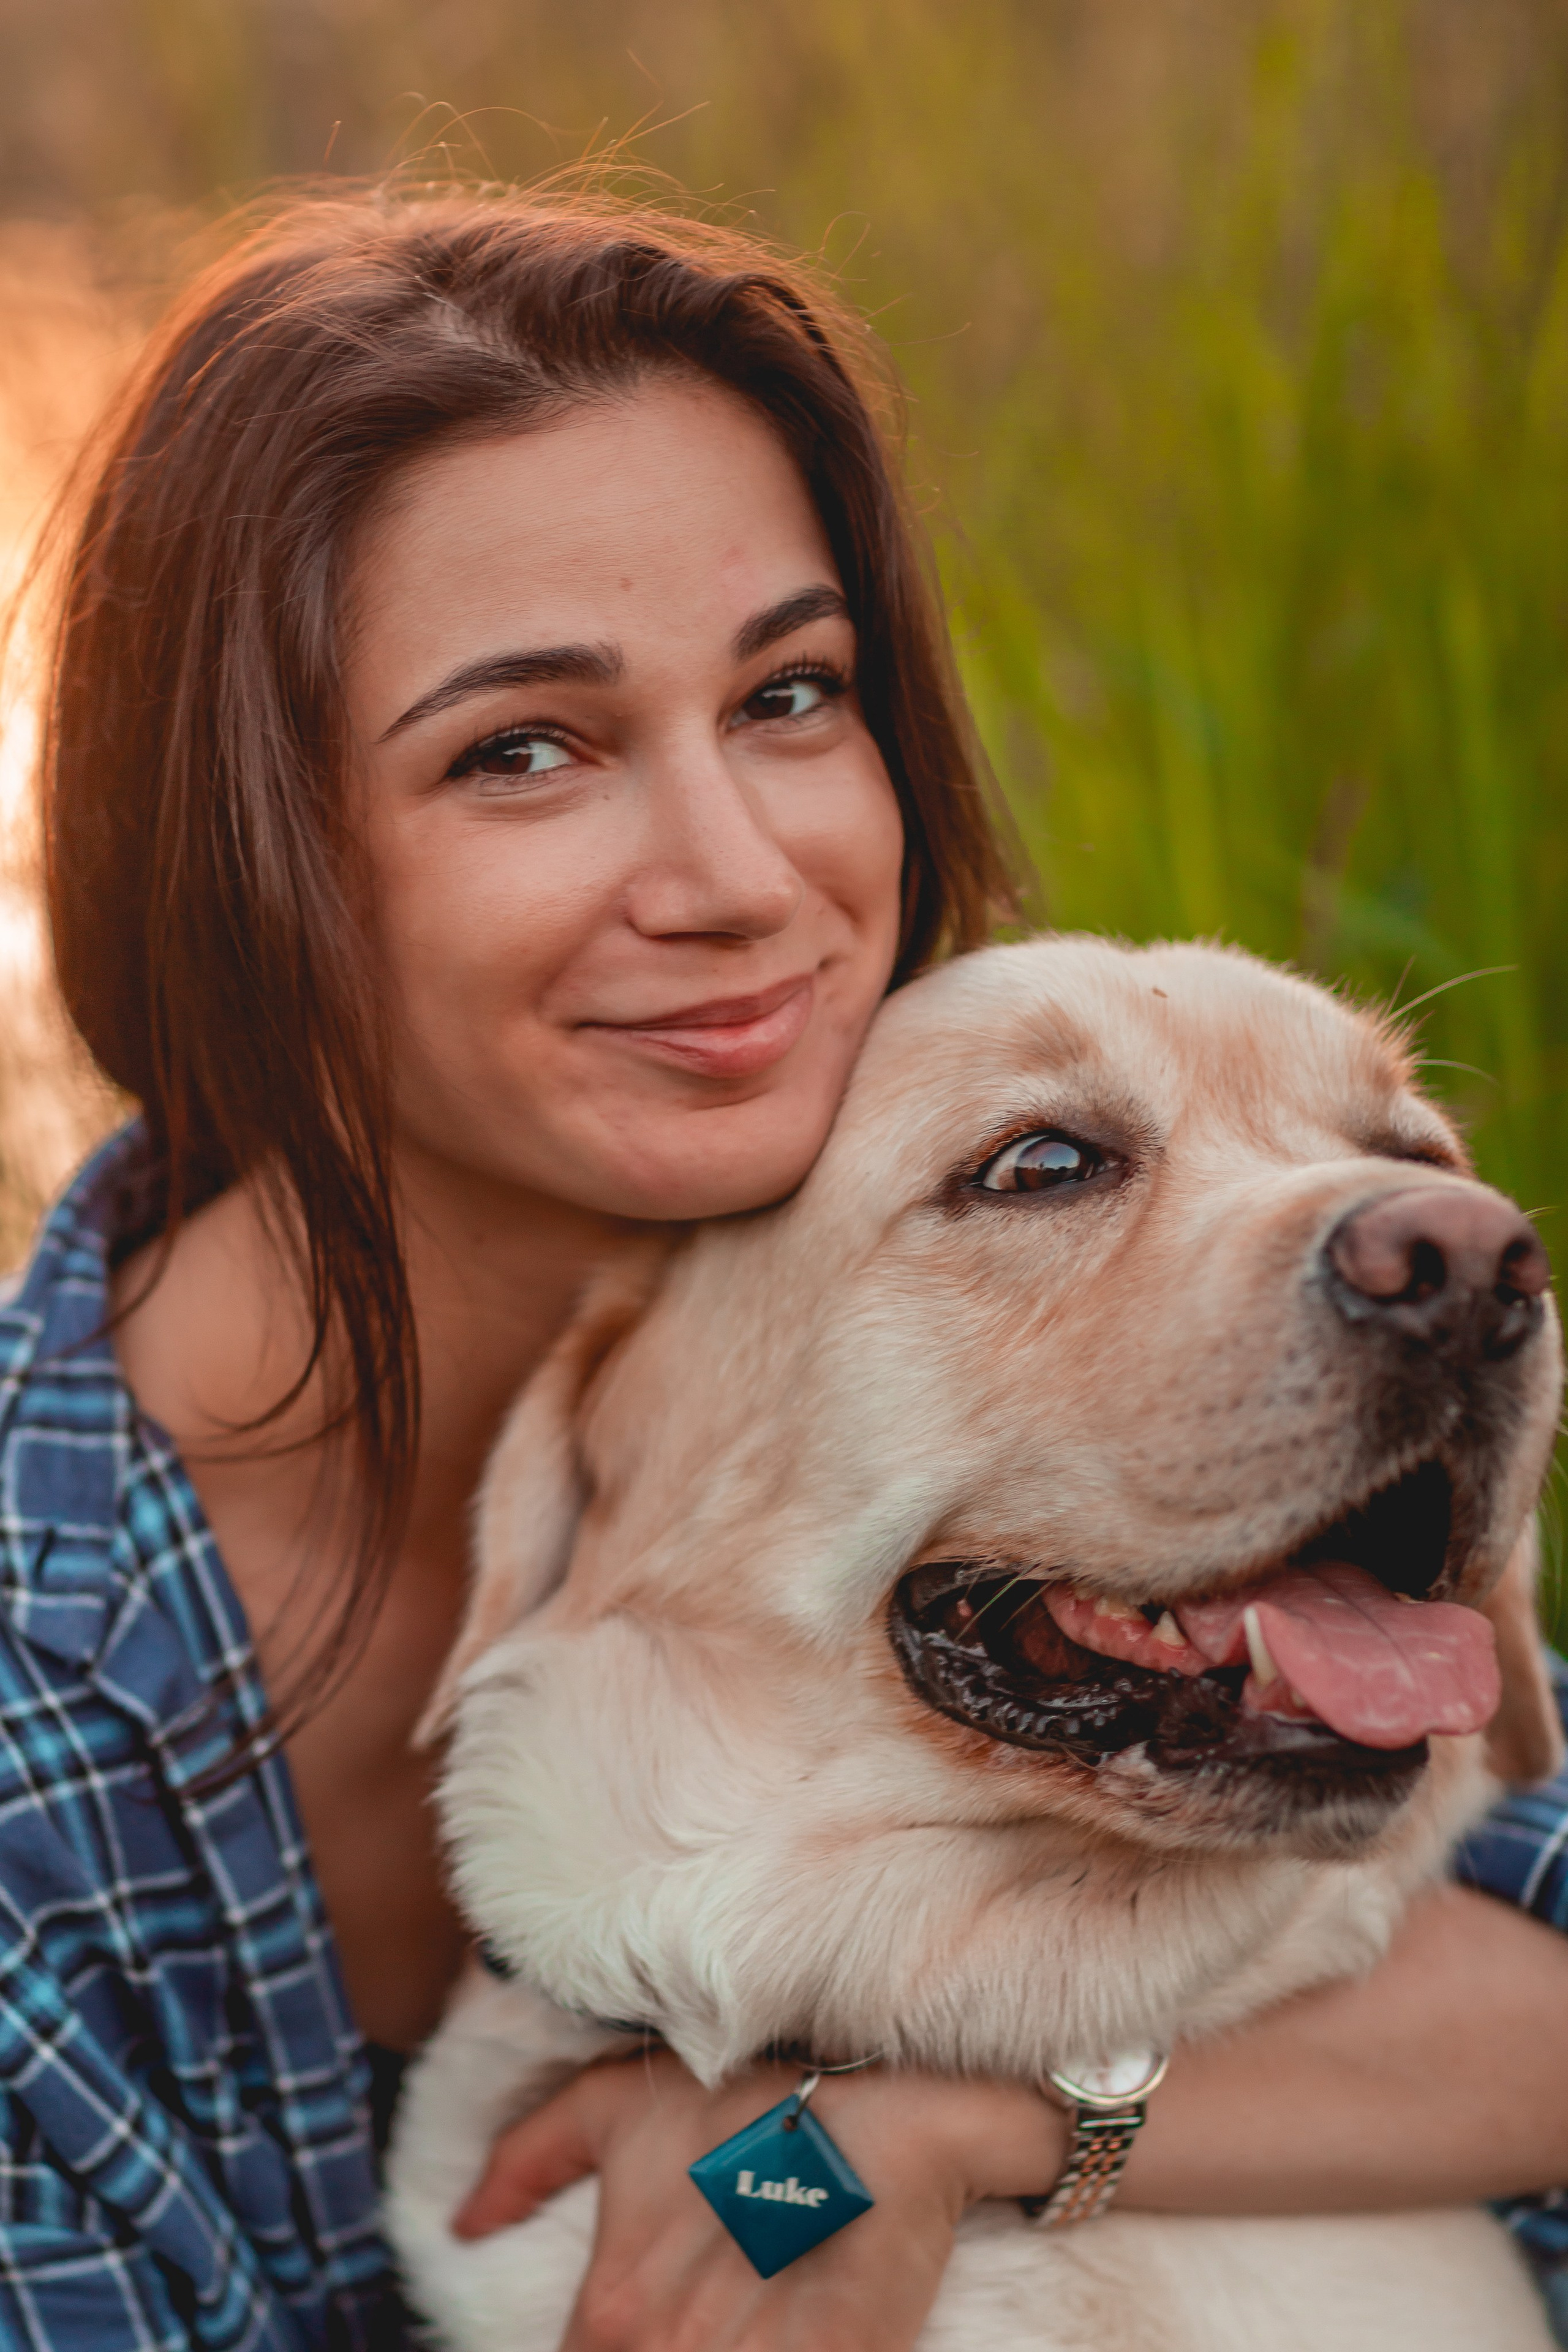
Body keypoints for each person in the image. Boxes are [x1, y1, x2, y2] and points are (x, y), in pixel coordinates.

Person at [0, 184, 1563, 2352]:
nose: (743, 878)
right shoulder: (35, 1746)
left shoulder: (958, 1224)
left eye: (794, 694)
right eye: (521, 748)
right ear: (244, 858)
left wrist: (921, 2129)